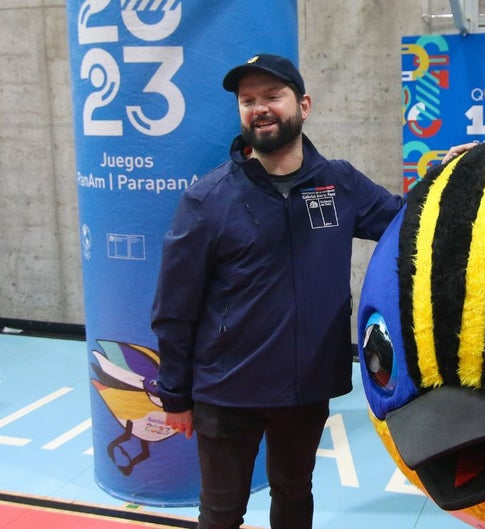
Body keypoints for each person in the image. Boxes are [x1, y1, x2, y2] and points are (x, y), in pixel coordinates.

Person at [150, 53, 405, 529]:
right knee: (221, 513)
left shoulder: (339, 183)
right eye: (247, 101)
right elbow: (174, 309)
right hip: (227, 389)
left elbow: (408, 220)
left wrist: (455, 176)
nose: (259, 108)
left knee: (294, 494)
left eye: (272, 96)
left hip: (307, 387)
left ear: (303, 105)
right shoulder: (208, 200)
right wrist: (176, 396)